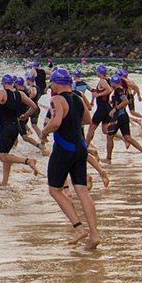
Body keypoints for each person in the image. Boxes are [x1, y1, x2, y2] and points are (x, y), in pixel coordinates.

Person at [37, 68, 101, 249]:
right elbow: (87, 120)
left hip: (64, 149)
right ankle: (94, 235)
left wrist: (43, 131)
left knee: (55, 190)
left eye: (52, 82)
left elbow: (55, 123)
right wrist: (71, 122)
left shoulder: (57, 99)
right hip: (81, 148)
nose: (51, 85)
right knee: (83, 192)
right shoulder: (78, 98)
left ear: (57, 83)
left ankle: (79, 229)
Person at [0, 75, 40, 186]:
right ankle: (4, 182)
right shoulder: (20, 94)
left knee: (3, 157)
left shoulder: (2, 92)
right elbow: (34, 106)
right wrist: (25, 115)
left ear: (3, 83)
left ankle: (27, 161)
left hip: (6, 128)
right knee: (7, 155)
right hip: (15, 127)